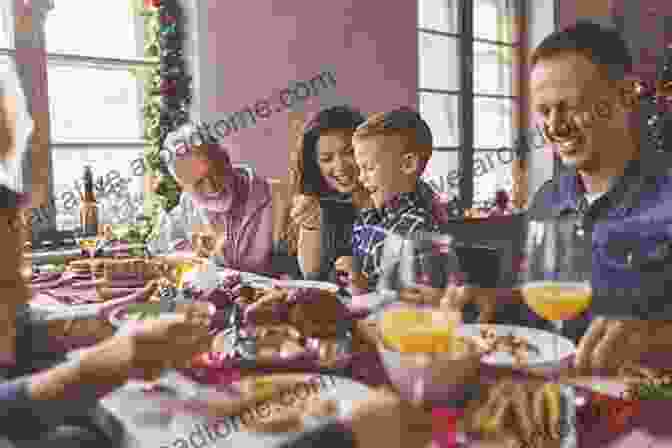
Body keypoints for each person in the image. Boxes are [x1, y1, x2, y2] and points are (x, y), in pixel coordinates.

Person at [444, 21, 672, 373]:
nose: (555, 126)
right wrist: (498, 302)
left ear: (626, 95)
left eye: (571, 106)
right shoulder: (547, 199)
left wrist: (656, 337)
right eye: (544, 111)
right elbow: (540, 310)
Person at [339, 107, 449, 303]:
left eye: (369, 168)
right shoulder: (369, 217)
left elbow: (422, 305)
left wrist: (362, 287)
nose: (361, 178)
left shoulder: (420, 230)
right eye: (360, 169)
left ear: (408, 164)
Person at [150, 123, 282, 275]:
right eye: (198, 184)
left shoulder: (278, 198)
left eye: (214, 172)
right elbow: (158, 254)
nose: (212, 189)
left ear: (226, 159)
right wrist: (190, 258)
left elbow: (301, 274)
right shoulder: (186, 207)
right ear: (182, 186)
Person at [278, 105, 372, 281]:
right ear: (316, 166)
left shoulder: (393, 200)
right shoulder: (321, 205)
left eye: (349, 152)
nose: (340, 166)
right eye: (326, 159)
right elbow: (312, 275)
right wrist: (310, 225)